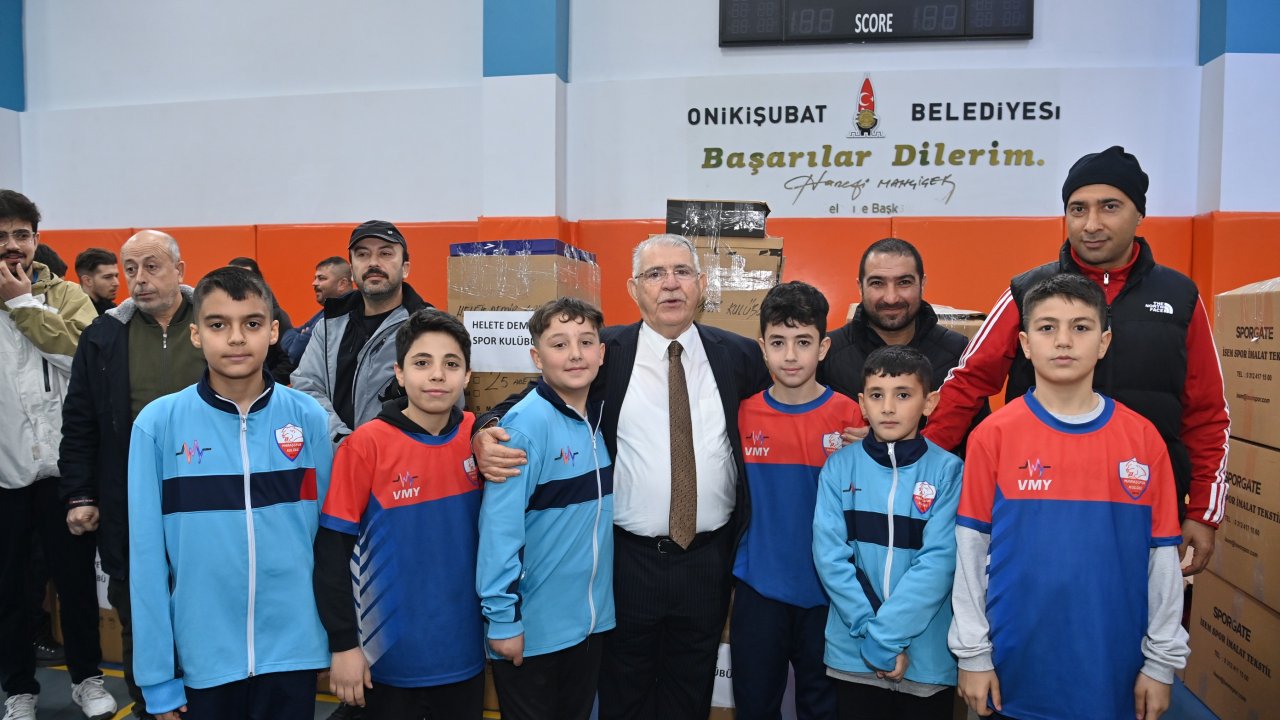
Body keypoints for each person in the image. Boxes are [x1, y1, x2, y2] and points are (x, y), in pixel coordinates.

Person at [474, 234, 775, 720]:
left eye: (681, 272)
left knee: (690, 695)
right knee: (623, 694)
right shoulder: (606, 350)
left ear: (701, 284)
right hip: (628, 562)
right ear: (634, 289)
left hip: (708, 561)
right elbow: (538, 394)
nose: (670, 284)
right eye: (655, 274)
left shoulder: (738, 356)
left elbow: (784, 410)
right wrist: (485, 430)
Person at [923, 146, 1229, 575]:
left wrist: (1203, 511)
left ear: (1139, 213)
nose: (1091, 224)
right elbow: (967, 383)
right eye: (1078, 208)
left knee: (1138, 613)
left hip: (1143, 506)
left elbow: (1208, 413)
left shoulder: (1180, 297)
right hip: (1035, 501)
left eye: (1110, 207)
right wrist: (921, 471)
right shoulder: (1027, 290)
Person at [949, 274, 1188, 720]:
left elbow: (1162, 562)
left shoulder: (1143, 439)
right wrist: (973, 654)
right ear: (1025, 344)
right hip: (1014, 662)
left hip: (1113, 665)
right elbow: (970, 551)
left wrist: (1161, 663)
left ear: (1104, 342)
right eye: (1047, 327)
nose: (1063, 340)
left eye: (1080, 327)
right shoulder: (992, 436)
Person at [127, 267, 332, 720]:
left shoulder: (308, 419)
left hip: (295, 655)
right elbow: (145, 562)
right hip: (202, 663)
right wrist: (157, 676)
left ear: (273, 331)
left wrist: (336, 639)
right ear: (196, 334)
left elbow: (330, 543)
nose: (236, 338)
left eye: (251, 323)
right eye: (218, 324)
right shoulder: (158, 425)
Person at [60, 230, 206, 720]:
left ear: (179, 271)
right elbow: (80, 421)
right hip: (128, 502)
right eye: (130, 269)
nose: (139, 279)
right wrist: (80, 493)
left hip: (208, 499)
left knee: (206, 609)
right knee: (138, 614)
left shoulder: (214, 321)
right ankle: (150, 705)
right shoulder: (103, 336)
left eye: (152, 266)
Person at [314, 308, 484, 720]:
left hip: (464, 652)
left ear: (467, 376)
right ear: (400, 374)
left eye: (451, 364)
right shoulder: (365, 445)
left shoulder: (478, 438)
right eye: (422, 363)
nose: (437, 375)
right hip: (386, 658)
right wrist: (343, 645)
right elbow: (332, 552)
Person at [0, 190, 113, 720]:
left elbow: (85, 356)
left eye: (21, 234)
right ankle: (18, 689)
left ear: (36, 239)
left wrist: (24, 305)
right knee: (11, 589)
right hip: (6, 473)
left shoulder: (66, 295)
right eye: (2, 236)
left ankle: (88, 679)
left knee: (75, 583)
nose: (12, 245)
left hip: (65, 471)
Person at [478, 297, 615, 720]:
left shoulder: (596, 421)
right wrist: (503, 619)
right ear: (537, 357)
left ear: (601, 353)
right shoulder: (524, 428)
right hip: (533, 631)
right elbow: (499, 532)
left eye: (586, 342)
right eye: (559, 344)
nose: (575, 354)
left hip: (588, 628)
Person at [731, 281, 861, 720]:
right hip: (759, 589)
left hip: (830, 593)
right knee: (755, 707)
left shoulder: (851, 417)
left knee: (822, 708)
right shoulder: (742, 414)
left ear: (823, 348)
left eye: (803, 342)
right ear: (762, 348)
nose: (790, 355)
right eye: (778, 342)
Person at [813, 345, 961, 719]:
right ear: (862, 404)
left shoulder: (948, 471)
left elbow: (938, 564)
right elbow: (831, 559)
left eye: (904, 395)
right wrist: (873, 639)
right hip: (854, 656)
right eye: (877, 395)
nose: (889, 408)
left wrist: (887, 638)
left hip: (925, 660)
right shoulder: (838, 468)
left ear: (929, 403)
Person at [819, 237, 987, 439]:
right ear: (860, 287)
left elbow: (977, 438)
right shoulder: (828, 353)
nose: (891, 297)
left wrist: (890, 443)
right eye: (877, 283)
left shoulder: (957, 352)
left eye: (904, 282)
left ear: (922, 284)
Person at [292, 220, 431, 446]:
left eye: (385, 253)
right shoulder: (327, 326)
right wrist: (342, 442)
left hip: (401, 460)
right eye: (362, 254)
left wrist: (376, 448)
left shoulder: (429, 327)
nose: (373, 263)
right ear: (352, 268)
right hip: (335, 456)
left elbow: (445, 399)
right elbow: (306, 386)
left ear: (405, 268)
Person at [227, 256, 300, 383]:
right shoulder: (216, 315)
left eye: (244, 278)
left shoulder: (276, 315)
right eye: (231, 278)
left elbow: (289, 359)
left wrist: (264, 383)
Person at [288, 257, 353, 365]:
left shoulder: (341, 313)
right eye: (315, 278)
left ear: (342, 284)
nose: (314, 283)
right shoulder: (327, 310)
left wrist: (301, 336)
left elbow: (296, 352)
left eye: (321, 278)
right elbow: (288, 335)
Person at [74, 248, 120, 315]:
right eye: (108, 277)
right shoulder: (72, 314)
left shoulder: (112, 310)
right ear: (87, 281)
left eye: (116, 276)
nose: (116, 283)